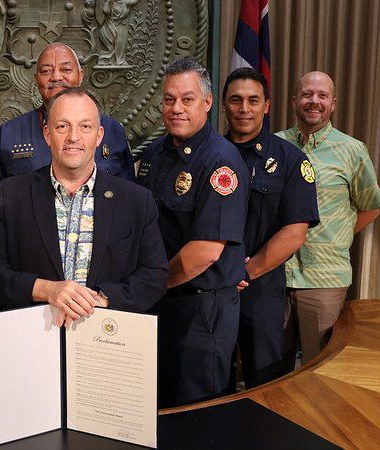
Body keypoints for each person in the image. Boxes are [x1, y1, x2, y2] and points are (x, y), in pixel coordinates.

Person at [0, 87, 167, 327]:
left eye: (85, 126)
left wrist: (101, 299)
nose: (73, 136)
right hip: (33, 339)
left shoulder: (136, 201)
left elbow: (154, 276)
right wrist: (46, 289)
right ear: (47, 134)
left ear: (99, 135)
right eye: (62, 126)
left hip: (105, 343)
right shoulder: (10, 195)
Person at [136, 58, 249, 407]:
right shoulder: (156, 153)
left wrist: (148, 285)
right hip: (163, 303)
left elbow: (205, 251)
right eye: (169, 99)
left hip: (202, 310)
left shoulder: (220, 163)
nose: (176, 108)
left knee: (197, 411)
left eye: (187, 99)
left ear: (208, 102)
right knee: (160, 405)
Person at [276, 71, 380, 367]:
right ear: (294, 101)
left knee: (318, 367)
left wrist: (334, 237)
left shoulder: (352, 150)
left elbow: (371, 207)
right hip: (275, 274)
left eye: (322, 96)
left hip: (324, 278)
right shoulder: (275, 146)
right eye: (307, 94)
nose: (314, 101)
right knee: (271, 369)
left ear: (333, 103)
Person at [221, 67, 319, 388]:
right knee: (209, 382)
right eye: (236, 100)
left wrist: (246, 273)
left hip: (260, 287)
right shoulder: (208, 156)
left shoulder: (291, 160)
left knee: (264, 383)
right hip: (209, 287)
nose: (244, 109)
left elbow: (295, 232)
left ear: (267, 105)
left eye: (253, 100)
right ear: (223, 105)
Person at [0, 43, 135, 181]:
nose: (56, 77)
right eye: (46, 71)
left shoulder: (112, 131)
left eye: (66, 70)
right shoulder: (8, 134)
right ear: (36, 79)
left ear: (80, 75)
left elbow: (127, 195)